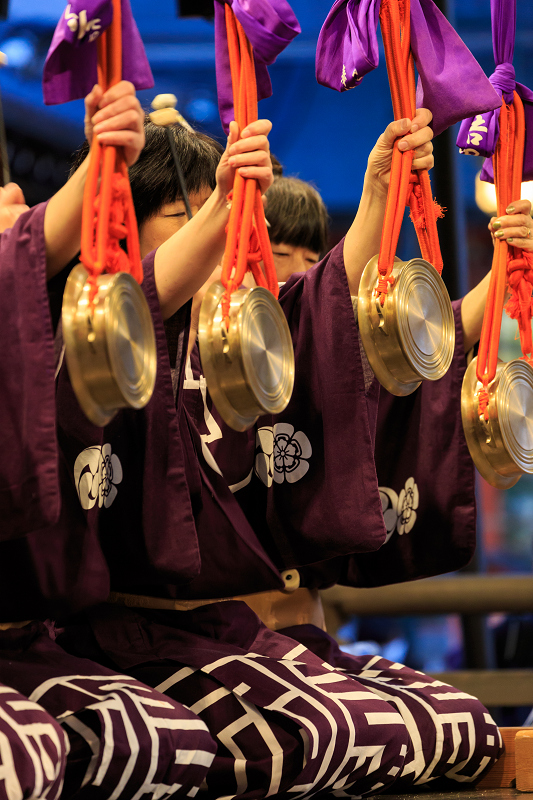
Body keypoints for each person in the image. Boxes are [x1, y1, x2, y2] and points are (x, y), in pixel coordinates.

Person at [59, 108, 524, 796]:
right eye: (179, 211)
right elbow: (154, 291)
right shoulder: (93, 333)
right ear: (115, 220)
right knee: (316, 736)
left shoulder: (241, 335)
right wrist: (220, 198)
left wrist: (385, 202)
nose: (207, 227)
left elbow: (341, 317)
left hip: (245, 633)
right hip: (131, 636)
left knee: (459, 725)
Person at [0, 81, 220, 799]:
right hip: (96, 635)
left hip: (192, 626)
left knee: (436, 723)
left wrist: (230, 203)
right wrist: (104, 169)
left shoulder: (217, 329)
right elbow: (30, 260)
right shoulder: (62, 319)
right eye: (178, 215)